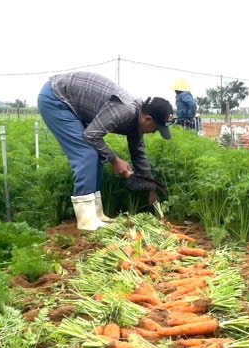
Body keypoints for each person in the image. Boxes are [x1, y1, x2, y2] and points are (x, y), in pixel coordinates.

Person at [37, 71, 173, 232]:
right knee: (87, 155)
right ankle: (86, 221)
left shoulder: (136, 123)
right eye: (156, 129)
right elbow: (91, 135)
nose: (153, 132)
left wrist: (151, 188)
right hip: (56, 98)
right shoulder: (127, 110)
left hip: (70, 101)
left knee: (97, 156)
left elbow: (139, 155)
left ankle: (96, 215)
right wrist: (115, 160)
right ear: (148, 119)